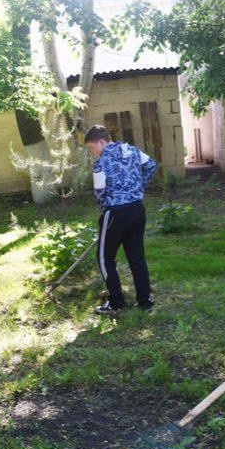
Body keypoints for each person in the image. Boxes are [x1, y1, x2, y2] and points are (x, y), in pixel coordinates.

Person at [84, 125, 158, 314]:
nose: (92, 153)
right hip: (137, 210)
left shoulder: (100, 163)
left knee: (104, 258)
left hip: (115, 213)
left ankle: (116, 302)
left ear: (101, 142)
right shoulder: (132, 150)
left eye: (91, 148)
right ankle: (145, 300)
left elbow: (100, 192)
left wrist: (105, 207)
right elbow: (151, 165)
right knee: (136, 256)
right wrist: (138, 187)